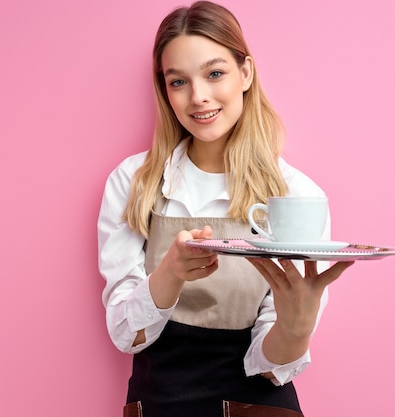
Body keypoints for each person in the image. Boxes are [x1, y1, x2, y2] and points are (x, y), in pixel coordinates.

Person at [97, 2, 354, 416]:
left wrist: (297, 323)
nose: (198, 97)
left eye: (215, 73)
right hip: (157, 405)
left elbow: (270, 368)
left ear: (245, 74)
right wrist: (171, 273)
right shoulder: (133, 183)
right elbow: (127, 335)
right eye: (178, 81)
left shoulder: (295, 196)